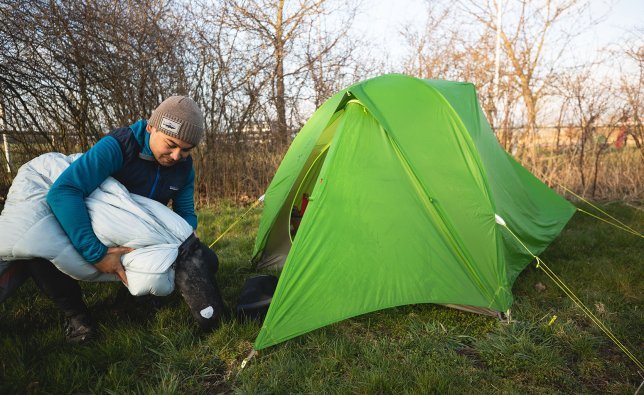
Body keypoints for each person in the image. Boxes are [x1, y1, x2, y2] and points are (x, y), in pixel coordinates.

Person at [15, 96, 226, 343]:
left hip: (140, 237)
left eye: (186, 149)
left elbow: (185, 211)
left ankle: (135, 296)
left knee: (208, 260)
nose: (177, 155)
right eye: (171, 144)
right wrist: (97, 253)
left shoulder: (184, 167)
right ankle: (76, 315)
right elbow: (64, 192)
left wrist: (188, 233)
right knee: (36, 250)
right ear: (151, 127)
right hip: (91, 231)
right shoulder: (118, 146)